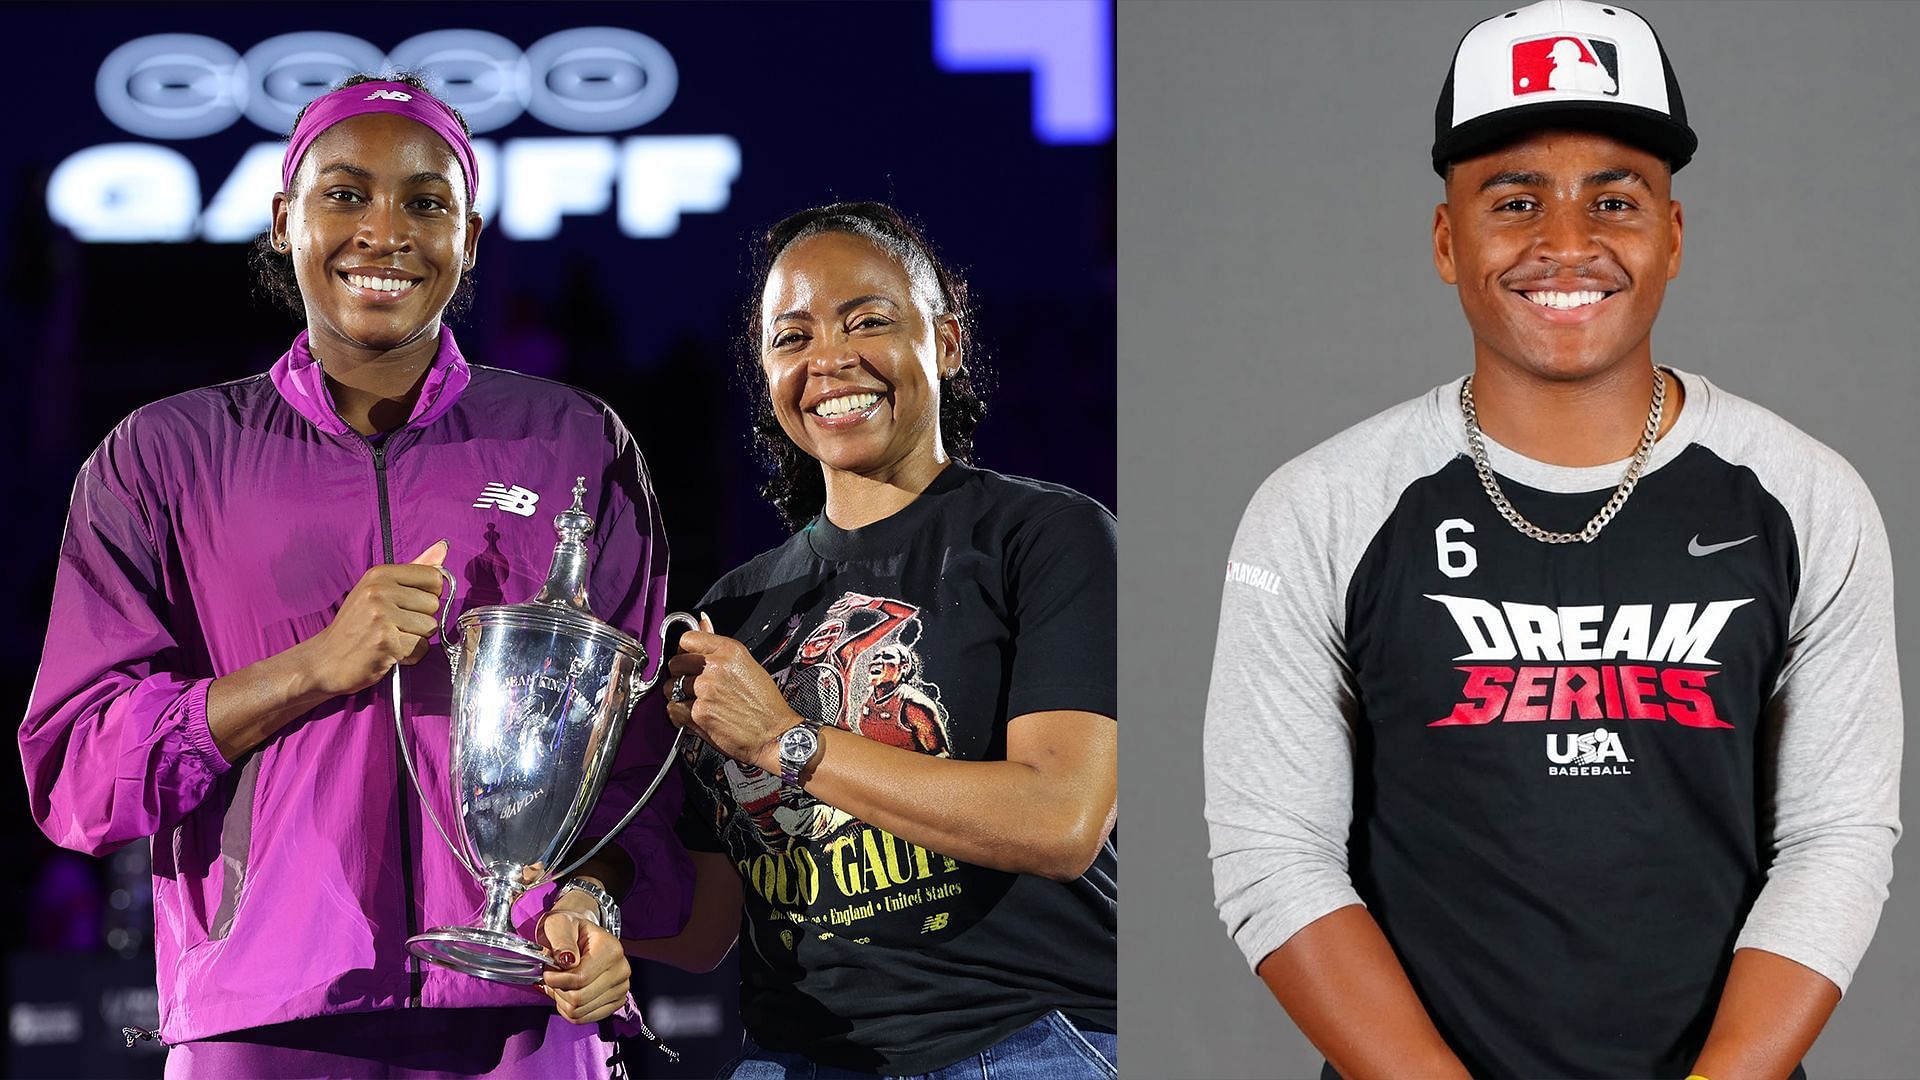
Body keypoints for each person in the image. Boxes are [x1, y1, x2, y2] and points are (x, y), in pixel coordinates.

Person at [1203, 2, 1900, 1078]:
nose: (1566, 244)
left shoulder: (1808, 496)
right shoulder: (1318, 508)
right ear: (1448, 239)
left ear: (1673, 234)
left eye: (1614, 199)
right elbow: (1273, 856)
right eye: (1514, 199)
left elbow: (1836, 840)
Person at [19, 73, 691, 1076]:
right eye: (344, 195)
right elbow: (76, 772)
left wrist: (594, 900)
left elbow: (635, 768)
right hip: (261, 1020)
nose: (386, 231)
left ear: (470, 234)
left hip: (521, 1014)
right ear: (286, 218)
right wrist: (313, 667)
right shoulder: (165, 455)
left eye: (427, 202)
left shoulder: (575, 444)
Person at [623, 202, 1118, 1077]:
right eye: (792, 336)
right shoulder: (733, 611)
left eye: (869, 321)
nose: (829, 359)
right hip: (791, 1055)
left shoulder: (1045, 536)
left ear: (948, 343)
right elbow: (706, 927)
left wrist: (786, 741)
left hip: (1018, 1042)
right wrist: (581, 906)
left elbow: (1061, 818)